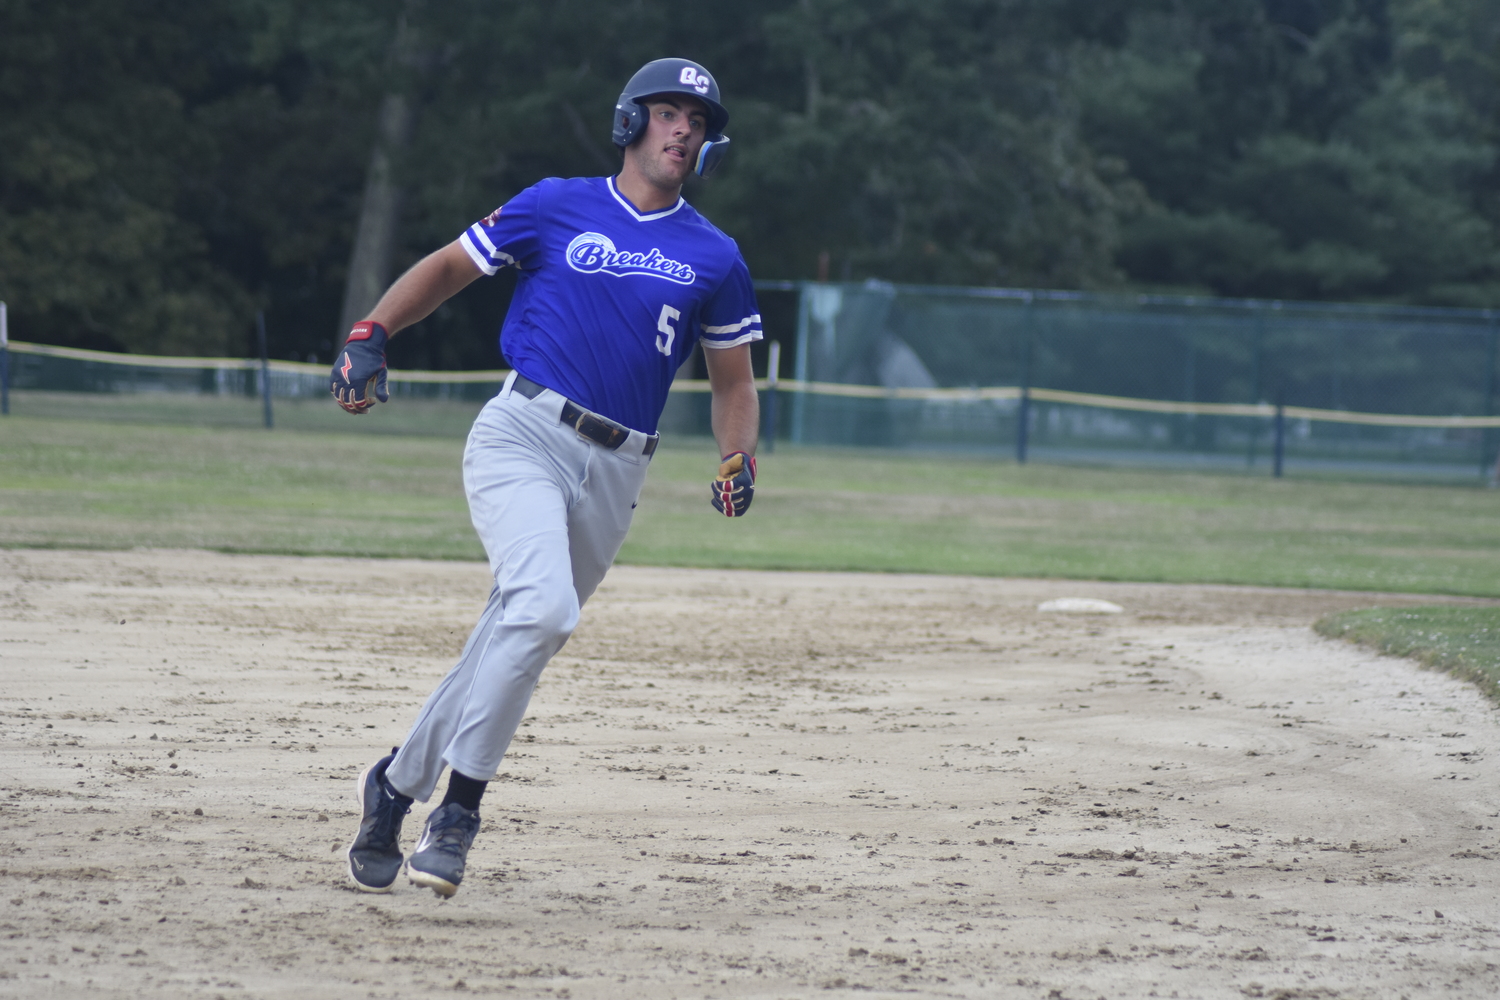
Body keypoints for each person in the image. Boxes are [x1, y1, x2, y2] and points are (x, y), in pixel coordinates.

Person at [331, 57, 762, 897]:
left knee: (512, 633)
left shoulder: (715, 254)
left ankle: (392, 785)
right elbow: (452, 265)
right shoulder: (556, 203)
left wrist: (737, 455)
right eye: (669, 112)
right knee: (542, 609)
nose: (683, 130)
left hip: (620, 468)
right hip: (523, 432)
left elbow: (734, 382)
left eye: (699, 122)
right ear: (631, 121)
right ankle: (457, 812)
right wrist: (373, 328)